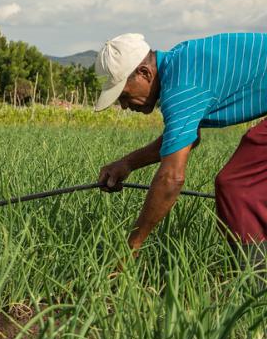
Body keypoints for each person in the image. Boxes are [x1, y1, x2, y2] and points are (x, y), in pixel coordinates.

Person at [96, 32, 267, 262]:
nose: (124, 106)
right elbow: (186, 138)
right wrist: (127, 163)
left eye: (124, 95)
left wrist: (131, 247)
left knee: (238, 186)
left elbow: (171, 179)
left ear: (144, 73)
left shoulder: (180, 86)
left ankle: (255, 284)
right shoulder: (178, 63)